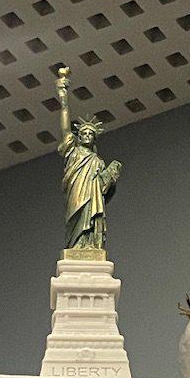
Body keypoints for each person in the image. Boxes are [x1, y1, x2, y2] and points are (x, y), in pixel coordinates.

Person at [55, 67, 122, 249]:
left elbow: (103, 188)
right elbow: (65, 128)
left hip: (92, 198)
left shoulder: (98, 161)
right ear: (79, 136)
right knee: (75, 218)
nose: (86, 136)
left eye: (90, 134)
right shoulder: (73, 151)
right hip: (76, 193)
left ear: (94, 138)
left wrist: (111, 174)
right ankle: (76, 245)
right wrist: (63, 98)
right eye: (83, 133)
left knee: (91, 217)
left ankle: (89, 244)